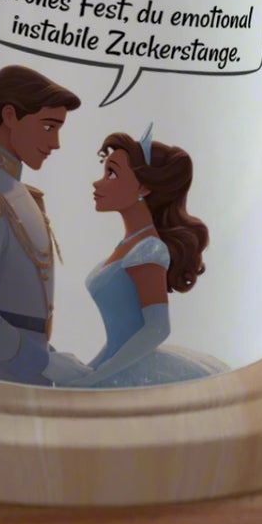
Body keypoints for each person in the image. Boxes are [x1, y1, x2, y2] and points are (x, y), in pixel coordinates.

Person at [49, 124, 226, 389]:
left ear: (143, 187)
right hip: (120, 362)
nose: (98, 182)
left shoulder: (148, 249)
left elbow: (157, 328)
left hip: (139, 372)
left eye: (112, 173)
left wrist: (98, 375)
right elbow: (118, 340)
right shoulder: (130, 244)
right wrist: (90, 371)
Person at [0, 64, 81, 383]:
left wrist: (49, 357)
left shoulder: (13, 187)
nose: (56, 143)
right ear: (10, 116)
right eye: (49, 127)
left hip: (27, 367)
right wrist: (43, 363)